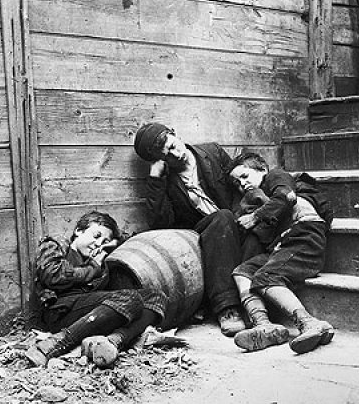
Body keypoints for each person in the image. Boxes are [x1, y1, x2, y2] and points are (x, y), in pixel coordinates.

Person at [25, 211, 182, 368]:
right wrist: (92, 267)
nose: (98, 243)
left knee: (155, 296)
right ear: (79, 231)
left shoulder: (100, 261)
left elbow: (122, 240)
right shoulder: (56, 245)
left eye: (104, 241)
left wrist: (113, 246)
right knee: (129, 298)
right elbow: (53, 275)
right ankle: (54, 344)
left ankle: (114, 340)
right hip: (59, 309)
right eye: (96, 235)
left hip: (90, 312)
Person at [133, 123, 248, 337]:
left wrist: (245, 215)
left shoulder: (212, 153)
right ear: (160, 160)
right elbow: (161, 223)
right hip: (208, 234)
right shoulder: (168, 182)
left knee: (226, 217)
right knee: (221, 219)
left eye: (173, 145)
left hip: (241, 221)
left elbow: (241, 181)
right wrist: (155, 180)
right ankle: (227, 309)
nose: (177, 153)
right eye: (167, 154)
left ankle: (249, 305)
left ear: (175, 134)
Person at [227, 152, 335, 354]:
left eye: (245, 176)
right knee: (242, 272)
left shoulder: (276, 176)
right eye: (237, 183)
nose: (242, 184)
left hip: (305, 238)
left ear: (262, 169)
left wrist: (255, 217)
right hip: (284, 244)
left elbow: (287, 197)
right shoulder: (258, 198)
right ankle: (264, 325)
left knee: (266, 277)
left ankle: (309, 323)